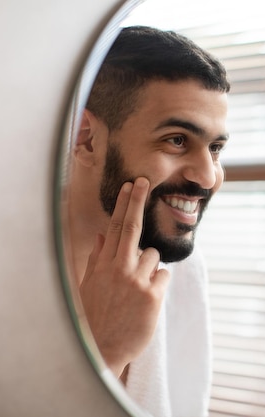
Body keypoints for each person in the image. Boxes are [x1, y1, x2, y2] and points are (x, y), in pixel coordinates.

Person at [64, 26, 230, 417]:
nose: (208, 177)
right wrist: (103, 353)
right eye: (176, 140)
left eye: (216, 148)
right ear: (86, 139)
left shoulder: (182, 268)